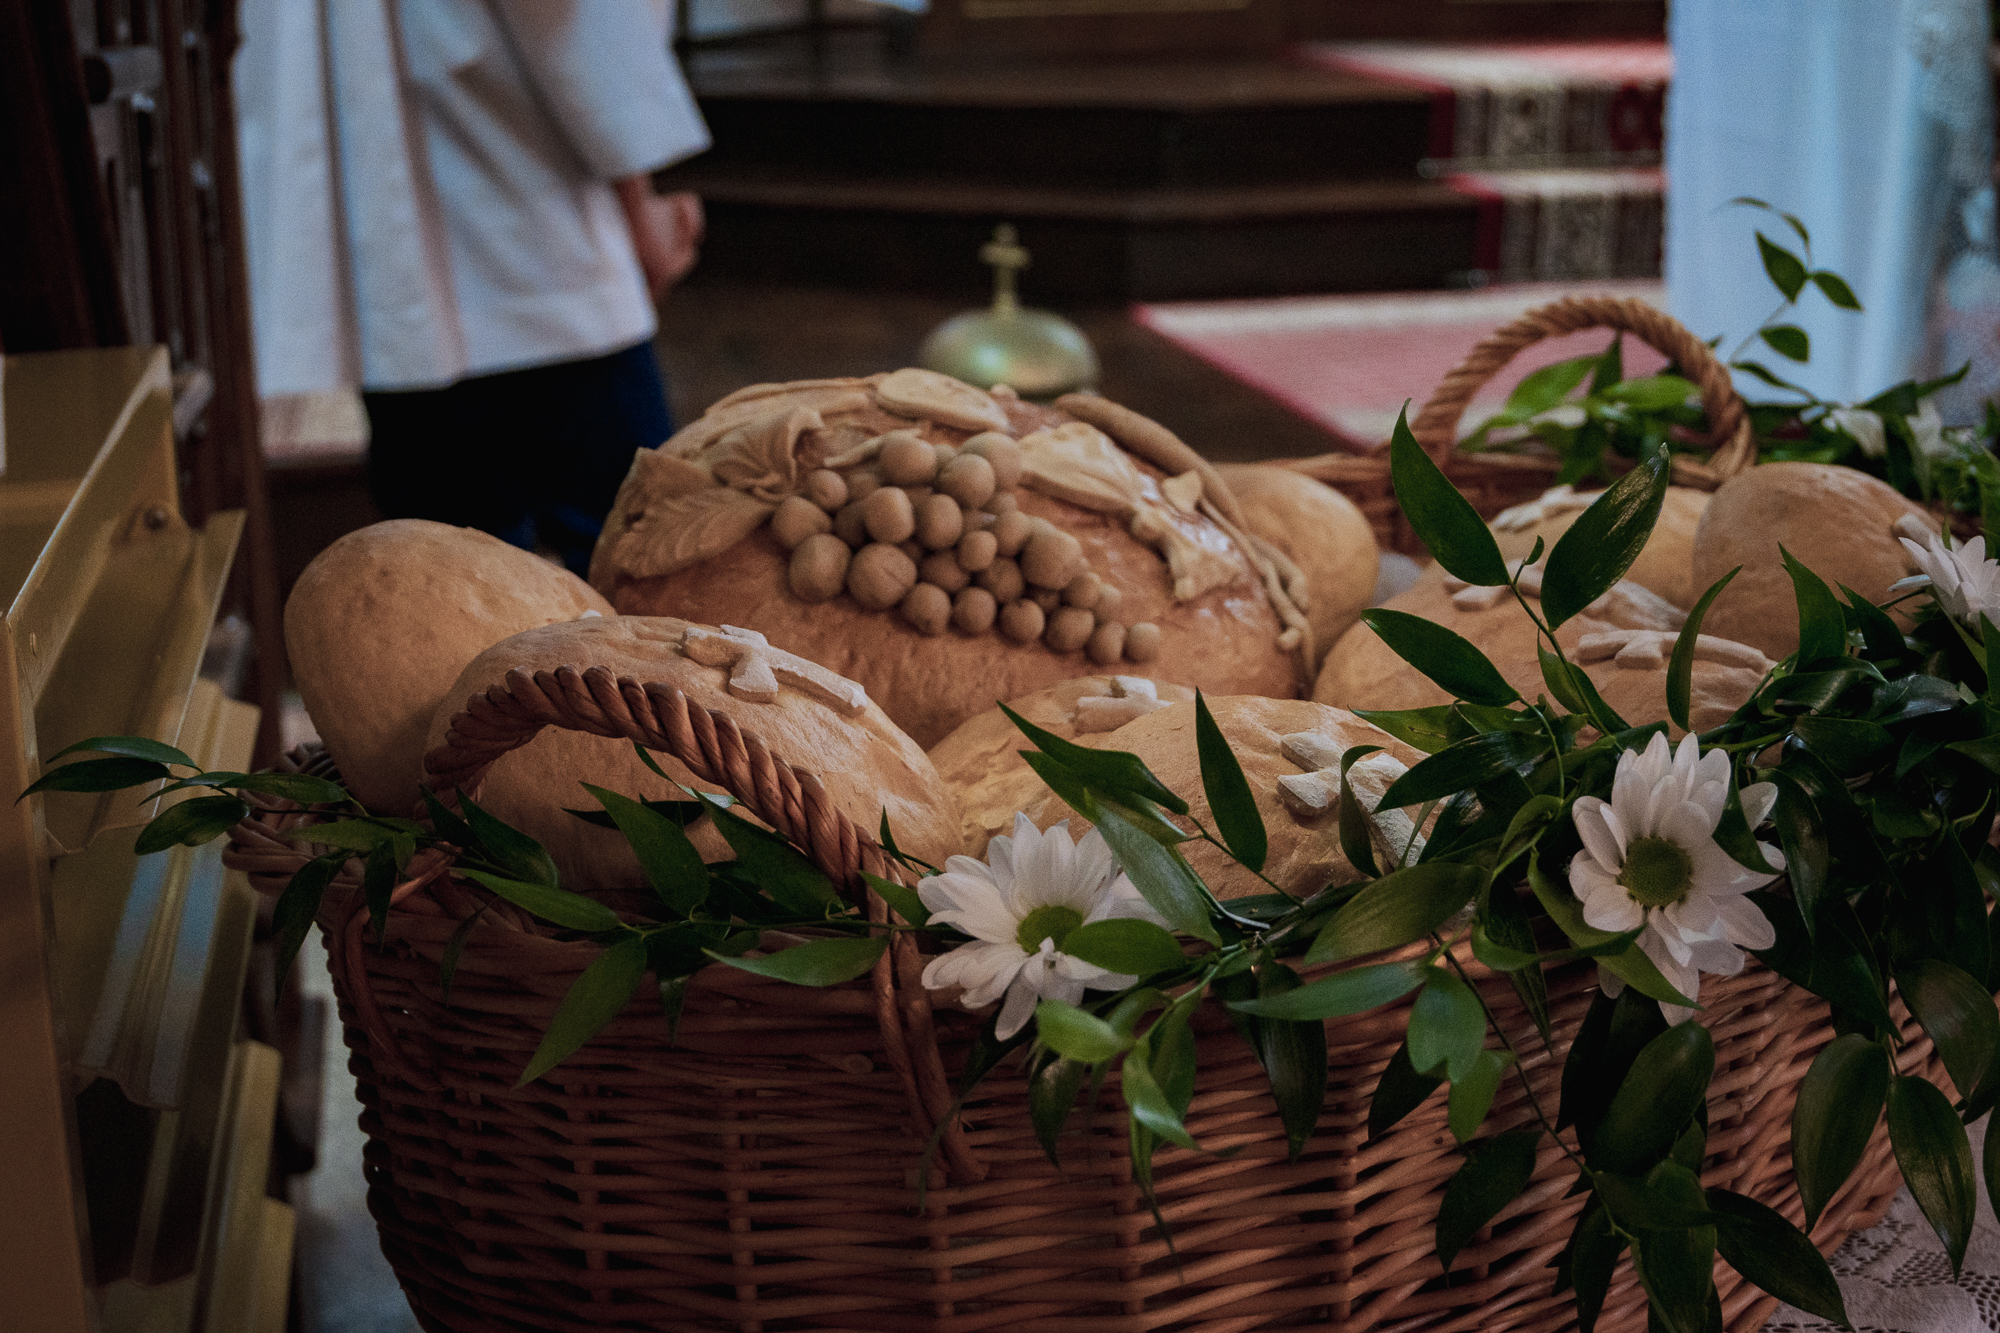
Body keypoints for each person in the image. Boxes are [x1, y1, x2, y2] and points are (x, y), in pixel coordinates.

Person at [234, 0, 709, 575]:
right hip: (527, 225)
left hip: (387, 252)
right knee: (644, 555)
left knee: (453, 572)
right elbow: (563, 21)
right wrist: (635, 203)